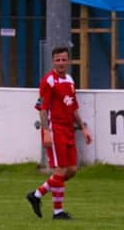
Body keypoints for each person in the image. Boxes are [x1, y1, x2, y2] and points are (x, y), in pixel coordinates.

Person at [26, 46, 92, 220]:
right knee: (61, 170)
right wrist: (46, 131)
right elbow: (42, 108)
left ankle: (37, 195)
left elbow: (73, 107)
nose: (61, 63)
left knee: (71, 170)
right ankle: (58, 212)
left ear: (69, 61)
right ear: (53, 61)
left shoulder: (70, 80)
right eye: (58, 60)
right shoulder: (48, 81)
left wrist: (83, 128)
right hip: (55, 129)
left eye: (64, 60)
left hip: (68, 129)